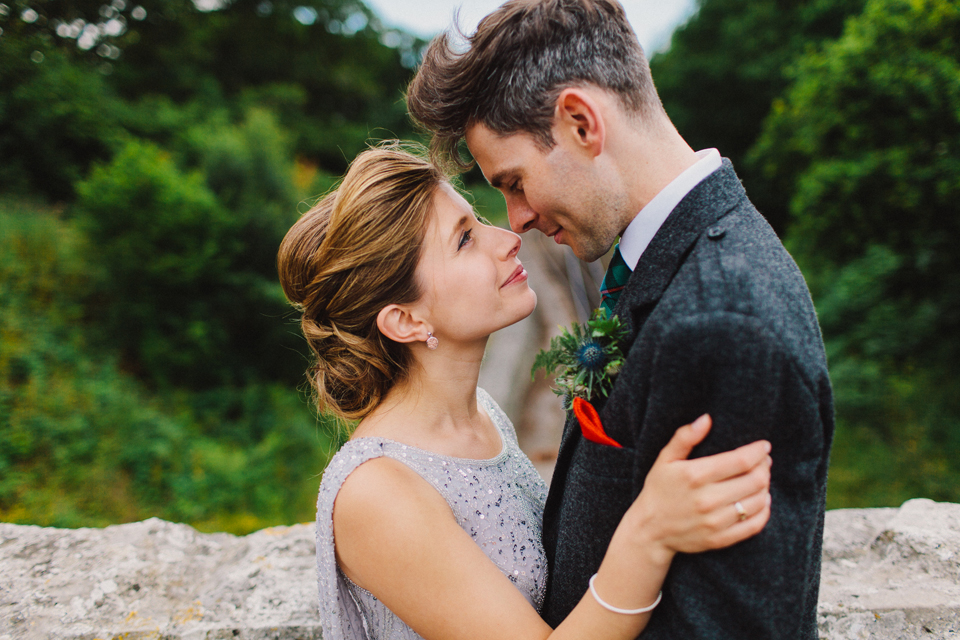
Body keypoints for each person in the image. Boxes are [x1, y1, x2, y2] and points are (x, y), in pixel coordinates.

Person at [405, 0, 834, 638]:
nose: (516, 219)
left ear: (581, 123)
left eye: (515, 181)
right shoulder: (667, 261)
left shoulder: (723, 321)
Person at [278, 144, 773, 640]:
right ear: (406, 320)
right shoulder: (378, 491)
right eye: (465, 240)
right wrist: (652, 530)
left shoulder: (485, 417)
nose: (508, 238)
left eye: (478, 221)